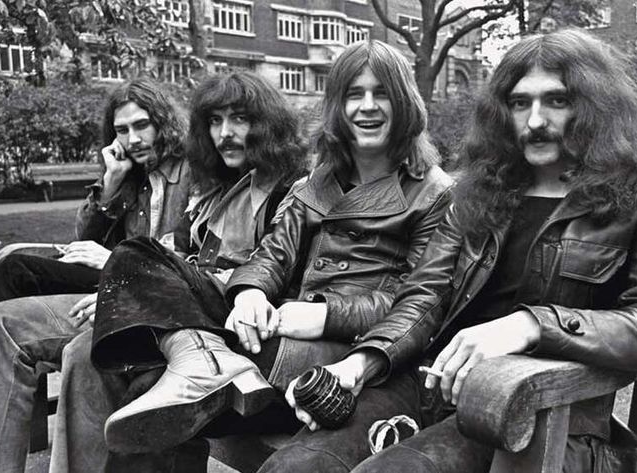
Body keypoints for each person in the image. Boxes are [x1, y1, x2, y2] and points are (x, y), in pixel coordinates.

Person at [265, 28, 637, 473]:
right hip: (431, 389)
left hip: (539, 415)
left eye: (557, 100)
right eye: (520, 103)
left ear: (594, 106)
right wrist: (364, 361)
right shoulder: (480, 192)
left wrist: (531, 325)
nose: (535, 121)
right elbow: (424, 296)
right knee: (295, 467)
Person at [53, 39, 453, 473]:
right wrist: (250, 294)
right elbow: (272, 255)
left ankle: (203, 359)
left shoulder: (433, 192)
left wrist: (322, 315)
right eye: (354, 94)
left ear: (405, 102)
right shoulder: (318, 182)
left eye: (382, 94)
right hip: (276, 333)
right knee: (136, 256)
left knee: (148, 384)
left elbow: (419, 302)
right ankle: (201, 357)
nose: (367, 107)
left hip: (343, 353)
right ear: (338, 106)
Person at [0, 78, 215, 473]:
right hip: (112, 281)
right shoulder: (131, 174)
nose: (133, 139)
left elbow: (188, 257)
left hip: (148, 290)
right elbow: (83, 238)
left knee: (16, 269)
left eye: (142, 125)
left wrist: (114, 258)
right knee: (14, 272)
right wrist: (111, 181)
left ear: (163, 123)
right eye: (122, 130)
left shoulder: (192, 172)